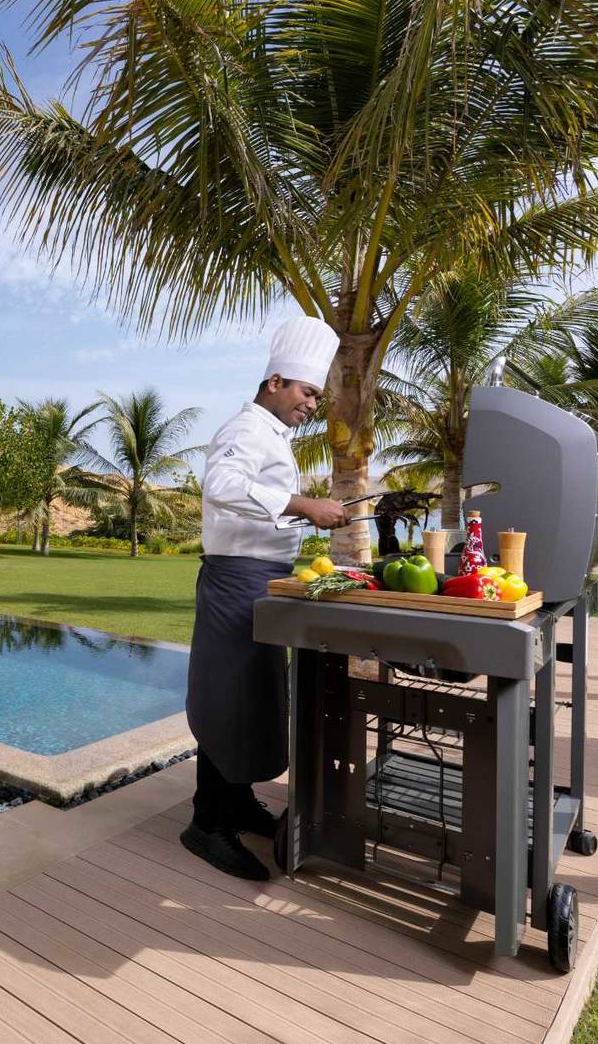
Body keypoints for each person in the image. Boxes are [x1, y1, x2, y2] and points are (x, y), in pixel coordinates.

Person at [182, 314, 352, 880]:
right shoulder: (246, 429)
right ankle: (206, 823)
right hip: (236, 582)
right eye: (307, 392)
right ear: (275, 381)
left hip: (262, 581)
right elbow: (222, 487)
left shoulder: (272, 435)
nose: (312, 405)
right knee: (227, 699)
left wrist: (312, 515)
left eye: (317, 397)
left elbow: (262, 509)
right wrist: (305, 506)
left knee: (252, 699)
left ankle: (235, 803)